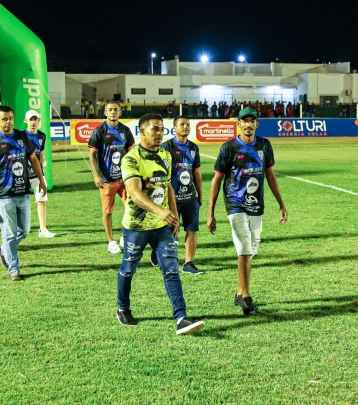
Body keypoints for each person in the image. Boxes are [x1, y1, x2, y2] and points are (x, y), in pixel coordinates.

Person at [115, 113, 204, 335]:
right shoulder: (131, 159)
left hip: (162, 226)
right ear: (142, 131)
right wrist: (160, 211)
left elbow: (168, 186)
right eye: (155, 129)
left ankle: (181, 317)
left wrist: (172, 215)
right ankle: (123, 308)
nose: (160, 133)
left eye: (162, 129)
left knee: (171, 270)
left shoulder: (165, 154)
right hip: (136, 227)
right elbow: (134, 193)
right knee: (128, 269)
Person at [206, 106, 289, 315]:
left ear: (257, 124)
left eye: (252, 121)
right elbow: (216, 180)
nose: (248, 124)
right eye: (245, 121)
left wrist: (281, 204)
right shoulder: (228, 148)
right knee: (244, 247)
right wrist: (211, 213)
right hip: (235, 204)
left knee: (250, 250)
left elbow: (270, 176)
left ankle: (239, 292)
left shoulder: (265, 145)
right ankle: (246, 296)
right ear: (239, 124)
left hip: (256, 205)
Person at [0, 106, 47, 281]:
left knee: (24, 231)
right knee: (9, 234)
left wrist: (41, 180)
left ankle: (4, 250)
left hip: (23, 191)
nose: (8, 122)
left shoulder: (23, 137)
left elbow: (34, 159)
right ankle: (14, 269)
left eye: (10, 118)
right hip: (5, 195)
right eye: (4, 119)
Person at [88, 100, 135, 254]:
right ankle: (111, 242)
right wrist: (96, 175)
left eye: (116, 109)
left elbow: (131, 153)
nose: (113, 112)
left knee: (132, 208)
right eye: (110, 110)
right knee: (108, 212)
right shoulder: (99, 131)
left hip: (124, 179)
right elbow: (92, 155)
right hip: (107, 180)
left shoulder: (125, 131)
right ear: (105, 113)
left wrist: (133, 174)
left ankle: (125, 236)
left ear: (120, 112)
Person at [161, 115, 204, 274]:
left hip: (190, 197)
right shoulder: (166, 147)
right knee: (169, 231)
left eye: (187, 124)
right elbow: (162, 174)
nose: (185, 127)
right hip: (172, 198)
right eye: (182, 124)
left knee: (192, 229)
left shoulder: (194, 148)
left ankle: (188, 263)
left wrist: (200, 195)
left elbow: (197, 173)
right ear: (174, 128)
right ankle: (162, 255)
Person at [25, 110, 56, 238]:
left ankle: (43, 229)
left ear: (38, 121)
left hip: (37, 174)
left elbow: (41, 153)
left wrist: (41, 172)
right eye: (30, 119)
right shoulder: (22, 136)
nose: (33, 122)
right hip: (24, 174)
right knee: (21, 202)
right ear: (26, 121)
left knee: (41, 199)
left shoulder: (42, 136)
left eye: (35, 119)